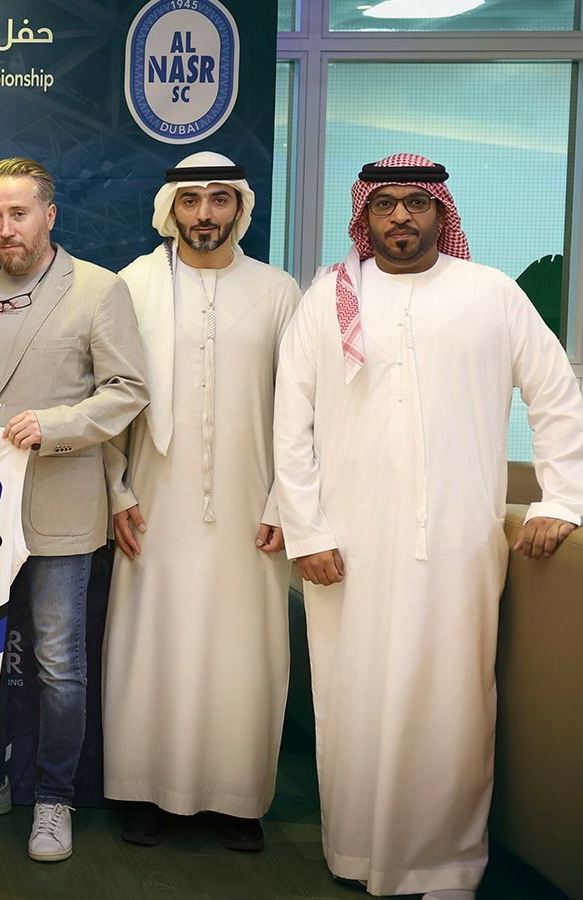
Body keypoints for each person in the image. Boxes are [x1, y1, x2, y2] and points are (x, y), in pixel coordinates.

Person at [274, 153, 583, 899]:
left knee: (453, 702)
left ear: (442, 212)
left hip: (457, 542)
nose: (401, 217)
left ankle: (445, 865)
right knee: (352, 699)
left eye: (416, 203)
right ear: (365, 215)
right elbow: (290, 423)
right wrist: (307, 531)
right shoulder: (328, 299)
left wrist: (560, 501)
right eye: (385, 205)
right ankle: (356, 852)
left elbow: (556, 397)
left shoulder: (492, 294)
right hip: (346, 546)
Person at [0, 157, 147, 862]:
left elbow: (127, 390)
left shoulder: (99, 290)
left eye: (18, 214)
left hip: (60, 510)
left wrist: (54, 426)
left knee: (57, 664)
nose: (5, 228)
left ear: (49, 214)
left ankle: (54, 799)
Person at [103, 152, 301, 850]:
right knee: (151, 645)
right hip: (153, 504)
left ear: (240, 207)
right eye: (191, 200)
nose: (205, 214)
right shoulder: (134, 285)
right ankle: (142, 791)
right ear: (171, 210)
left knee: (244, 652)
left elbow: (301, 409)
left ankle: (236, 800)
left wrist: (285, 500)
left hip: (253, 508)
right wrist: (116, 490)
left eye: (220, 199)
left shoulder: (278, 291)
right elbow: (107, 398)